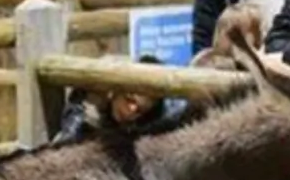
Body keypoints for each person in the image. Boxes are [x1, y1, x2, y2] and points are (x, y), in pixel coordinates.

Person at [49, 56, 196, 146]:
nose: (131, 111)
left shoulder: (158, 119)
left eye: (140, 110)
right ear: (116, 89)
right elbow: (67, 141)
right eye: (129, 100)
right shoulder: (92, 93)